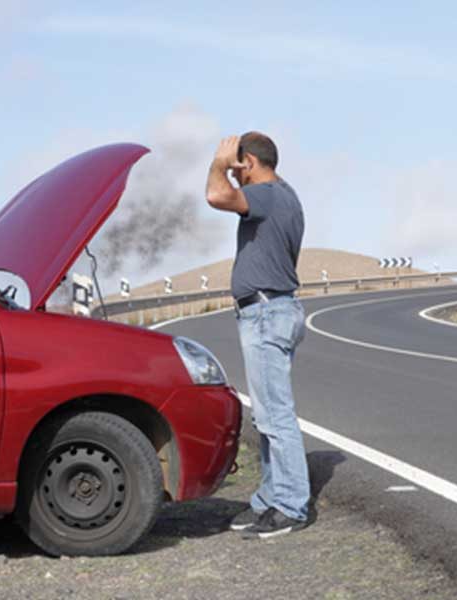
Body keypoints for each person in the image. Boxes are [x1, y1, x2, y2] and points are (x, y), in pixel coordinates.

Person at [205, 132, 312, 539]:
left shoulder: (266, 194)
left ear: (248, 161)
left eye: (237, 165)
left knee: (275, 415)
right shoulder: (284, 195)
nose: (234, 173)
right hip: (273, 310)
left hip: (267, 313)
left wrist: (219, 164)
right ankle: (270, 499)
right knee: (267, 414)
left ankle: (291, 505)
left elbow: (216, 195)